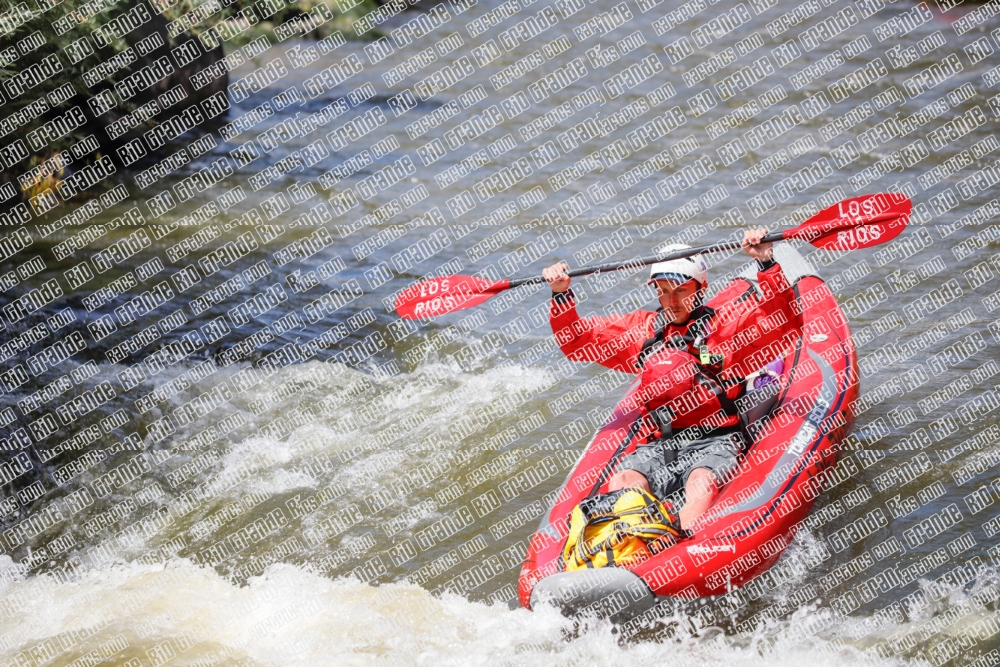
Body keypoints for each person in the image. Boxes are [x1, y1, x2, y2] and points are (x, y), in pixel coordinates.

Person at [542, 229, 801, 531]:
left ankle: (680, 542)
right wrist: (561, 293)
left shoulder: (725, 328)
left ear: (701, 287)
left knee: (701, 483)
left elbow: (784, 322)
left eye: (679, 290)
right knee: (623, 480)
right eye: (662, 290)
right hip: (659, 443)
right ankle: (627, 544)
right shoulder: (644, 333)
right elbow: (577, 341)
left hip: (715, 441)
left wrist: (766, 264)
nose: (671, 300)